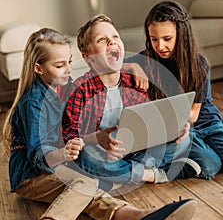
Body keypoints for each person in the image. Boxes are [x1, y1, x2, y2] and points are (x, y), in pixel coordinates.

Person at [1, 27, 197, 220]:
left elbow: (74, 132)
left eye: (69, 62)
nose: (68, 70)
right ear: (39, 69)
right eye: (60, 65)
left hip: (58, 168)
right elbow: (39, 156)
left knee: (88, 190)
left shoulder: (63, 88)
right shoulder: (33, 102)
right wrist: (64, 153)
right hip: (32, 176)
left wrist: (97, 138)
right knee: (85, 182)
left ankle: (140, 218)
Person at [62, 14, 201, 192]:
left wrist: (175, 128)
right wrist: (96, 141)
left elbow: (150, 122)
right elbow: (70, 137)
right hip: (104, 154)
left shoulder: (134, 82)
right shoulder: (80, 90)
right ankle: (150, 174)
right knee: (85, 159)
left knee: (184, 139)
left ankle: (120, 175)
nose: (111, 43)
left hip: (135, 150)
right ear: (88, 57)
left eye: (115, 37)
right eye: (102, 39)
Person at [126, 0, 223, 179]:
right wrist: (133, 67)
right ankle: (161, 171)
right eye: (154, 39)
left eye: (167, 39)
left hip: (205, 121)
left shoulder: (199, 64)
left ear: (181, 34)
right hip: (181, 129)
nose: (160, 46)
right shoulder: (146, 60)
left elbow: (194, 115)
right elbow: (109, 67)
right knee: (210, 166)